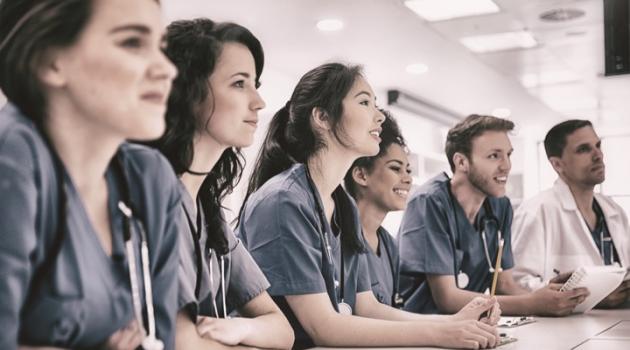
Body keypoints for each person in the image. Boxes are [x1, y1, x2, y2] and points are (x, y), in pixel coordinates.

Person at [237, 63, 500, 350]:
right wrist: (442, 335)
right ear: (322, 117)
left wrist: (454, 322)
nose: (379, 118)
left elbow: (367, 307)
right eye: (364, 102)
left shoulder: (343, 204)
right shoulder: (283, 201)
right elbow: (324, 327)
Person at [0, 0, 180, 349]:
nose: (167, 69)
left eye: (161, 47)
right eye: (132, 42)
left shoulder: (150, 179)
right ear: (50, 61)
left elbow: (160, 340)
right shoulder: (13, 158)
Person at [152, 18, 293, 349]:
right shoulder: (153, 200)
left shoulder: (209, 214)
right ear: (189, 91)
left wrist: (239, 330)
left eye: (255, 84)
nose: (258, 102)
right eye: (239, 84)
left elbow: (282, 331)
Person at [398, 114, 589, 316]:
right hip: (423, 329)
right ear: (461, 162)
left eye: (508, 154)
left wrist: (550, 298)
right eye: (494, 156)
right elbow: (447, 298)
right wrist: (533, 304)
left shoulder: (500, 206)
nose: (506, 165)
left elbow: (505, 284)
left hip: (471, 326)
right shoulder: (430, 202)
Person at [512, 119, 630, 307]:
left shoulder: (614, 211)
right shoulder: (537, 210)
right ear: (558, 164)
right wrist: (594, 295)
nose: (598, 155)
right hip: (567, 331)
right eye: (584, 149)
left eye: (598, 145)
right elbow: (517, 284)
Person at [343, 109, 410, 307]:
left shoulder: (389, 245)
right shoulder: (341, 239)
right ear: (361, 175)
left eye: (408, 170)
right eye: (395, 168)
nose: (407, 179)